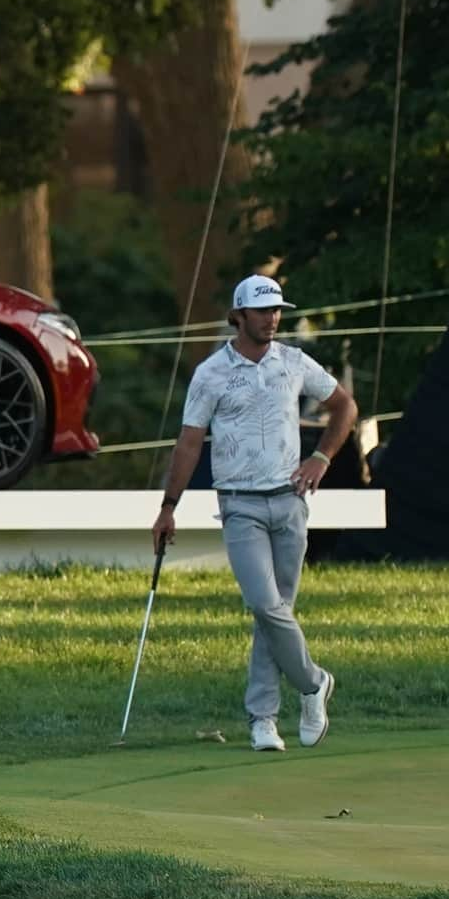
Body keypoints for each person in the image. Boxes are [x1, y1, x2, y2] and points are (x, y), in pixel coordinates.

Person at [151, 274, 358, 754]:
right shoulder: (211, 373)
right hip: (240, 504)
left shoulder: (293, 361)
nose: (273, 318)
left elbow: (344, 407)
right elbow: (187, 443)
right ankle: (313, 683)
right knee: (265, 605)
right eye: (263, 311)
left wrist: (321, 458)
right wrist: (168, 507)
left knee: (276, 614)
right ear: (238, 316)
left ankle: (264, 719)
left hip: (290, 501)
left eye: (277, 310)